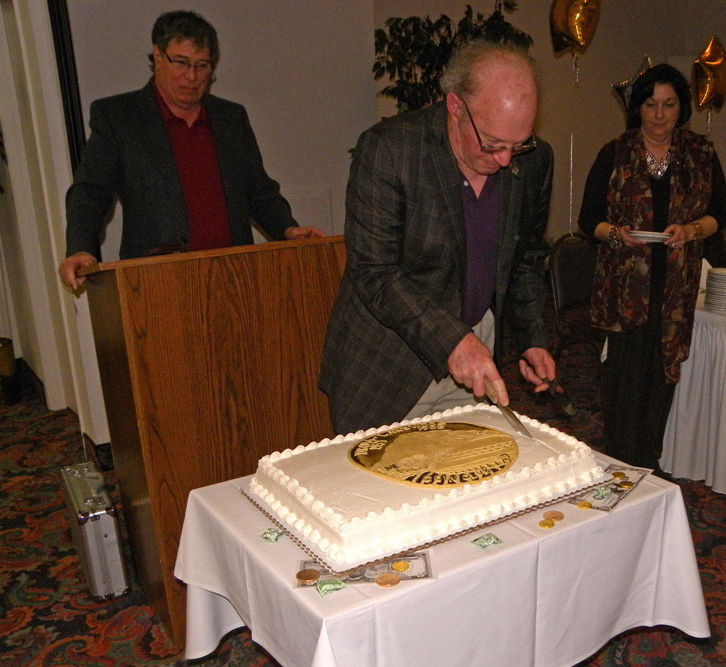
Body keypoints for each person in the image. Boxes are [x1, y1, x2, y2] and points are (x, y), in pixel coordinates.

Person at [319, 40, 556, 435]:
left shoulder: (534, 160)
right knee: (386, 473)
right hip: (391, 362)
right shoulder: (390, 150)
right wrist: (453, 341)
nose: (505, 160)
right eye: (492, 144)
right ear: (456, 107)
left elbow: (526, 257)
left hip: (477, 349)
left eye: (517, 145)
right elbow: (375, 272)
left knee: (467, 465)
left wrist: (532, 337)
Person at [58, 10, 323, 290]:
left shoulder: (231, 118)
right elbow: (91, 191)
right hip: (158, 283)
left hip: (236, 277)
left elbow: (258, 191)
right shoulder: (119, 118)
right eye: (181, 63)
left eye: (202, 65)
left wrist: (287, 228)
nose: (192, 76)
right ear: (157, 56)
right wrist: (80, 247)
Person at [577, 63, 726, 470]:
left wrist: (692, 230)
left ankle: (650, 459)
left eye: (669, 104)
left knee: (662, 375)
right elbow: (588, 219)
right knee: (624, 377)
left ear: (682, 108)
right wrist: (617, 234)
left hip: (675, 286)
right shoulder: (616, 152)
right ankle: (619, 458)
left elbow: (720, 214)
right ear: (638, 108)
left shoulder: (701, 153)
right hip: (625, 287)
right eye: (650, 104)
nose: (659, 114)